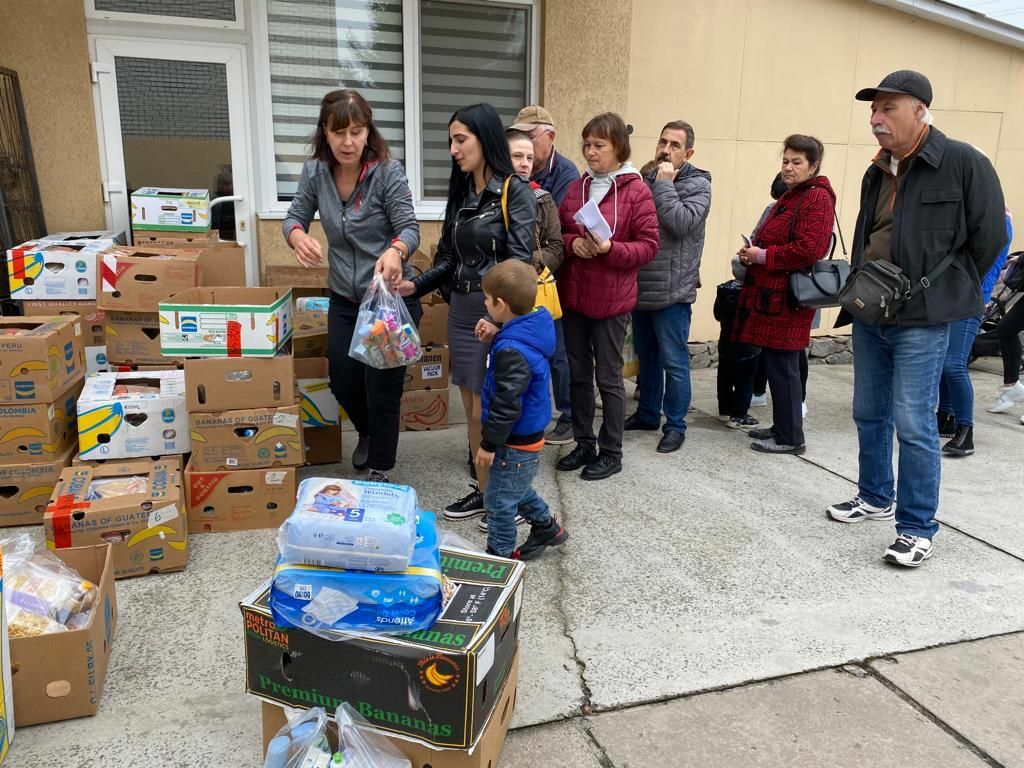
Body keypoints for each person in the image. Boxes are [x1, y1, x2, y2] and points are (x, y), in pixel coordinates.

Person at [826, 70, 1006, 568]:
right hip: (872, 310)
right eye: (873, 110)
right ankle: (875, 497)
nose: (876, 118)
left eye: (888, 108)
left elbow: (989, 237)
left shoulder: (963, 162)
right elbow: (867, 234)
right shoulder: (877, 169)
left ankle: (916, 527)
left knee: (913, 421)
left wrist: (947, 290)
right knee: (868, 412)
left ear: (920, 111)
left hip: (924, 319)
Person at [398, 103, 537, 520]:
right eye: (451, 141)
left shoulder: (515, 191)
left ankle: (506, 501)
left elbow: (519, 263)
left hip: (493, 311)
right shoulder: (462, 194)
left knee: (486, 410)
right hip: (460, 311)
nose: (454, 150)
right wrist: (415, 285)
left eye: (461, 140)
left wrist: (496, 319)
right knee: (472, 412)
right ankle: (485, 491)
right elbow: (448, 258)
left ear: (485, 138)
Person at [283, 89, 420, 484]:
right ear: (324, 132)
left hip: (386, 300)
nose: (348, 142)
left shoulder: (387, 172)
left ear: (367, 132)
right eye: (339, 132)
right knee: (343, 381)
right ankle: (368, 432)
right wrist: (297, 236)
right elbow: (293, 217)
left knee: (382, 388)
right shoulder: (315, 172)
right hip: (344, 297)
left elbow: (409, 227)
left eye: (356, 132)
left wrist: (396, 250)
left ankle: (380, 469)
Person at [555, 113, 659, 480]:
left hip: (612, 300)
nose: (590, 152)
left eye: (599, 145)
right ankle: (584, 443)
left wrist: (610, 249)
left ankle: (612, 452)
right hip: (575, 295)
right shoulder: (577, 187)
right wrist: (573, 244)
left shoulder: (637, 191)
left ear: (619, 148)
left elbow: (649, 246)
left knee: (609, 379)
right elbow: (557, 234)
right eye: (587, 145)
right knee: (578, 375)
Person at [735, 135, 836, 455]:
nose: (788, 168)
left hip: (789, 299)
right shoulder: (794, 195)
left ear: (813, 166)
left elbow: (810, 249)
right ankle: (783, 426)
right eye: (785, 161)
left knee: (785, 367)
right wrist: (752, 254)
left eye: (797, 162)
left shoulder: (816, 198)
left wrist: (762, 256)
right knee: (777, 365)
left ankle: (791, 437)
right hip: (773, 297)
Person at [625, 120, 711, 453]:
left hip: (673, 290)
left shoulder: (698, 185)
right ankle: (648, 413)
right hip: (643, 283)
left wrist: (663, 184)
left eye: (675, 145)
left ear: (688, 153)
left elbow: (680, 223)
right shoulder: (645, 178)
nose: (666, 150)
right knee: (647, 357)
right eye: (663, 142)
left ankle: (675, 425)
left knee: (674, 362)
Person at [474, 260, 569, 559]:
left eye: (487, 300)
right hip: (524, 435)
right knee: (515, 486)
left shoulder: (511, 351)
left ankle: (500, 556)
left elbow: (507, 403)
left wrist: (488, 443)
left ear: (501, 305)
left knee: (498, 501)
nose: (485, 305)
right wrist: (499, 331)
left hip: (514, 439)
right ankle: (547, 528)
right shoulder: (530, 328)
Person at [508, 105, 581, 445]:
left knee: (556, 350)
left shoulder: (564, 174)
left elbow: (557, 234)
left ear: (549, 136)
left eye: (530, 139)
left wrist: (530, 264)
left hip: (551, 278)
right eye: (517, 147)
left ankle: (568, 414)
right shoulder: (510, 179)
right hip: (515, 280)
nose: (524, 155)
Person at [939, 205, 1013, 455]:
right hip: (950, 296)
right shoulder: (967, 213)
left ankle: (965, 430)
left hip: (972, 299)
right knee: (944, 360)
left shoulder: (998, 220)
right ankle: (945, 416)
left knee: (954, 363)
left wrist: (980, 295)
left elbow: (989, 265)